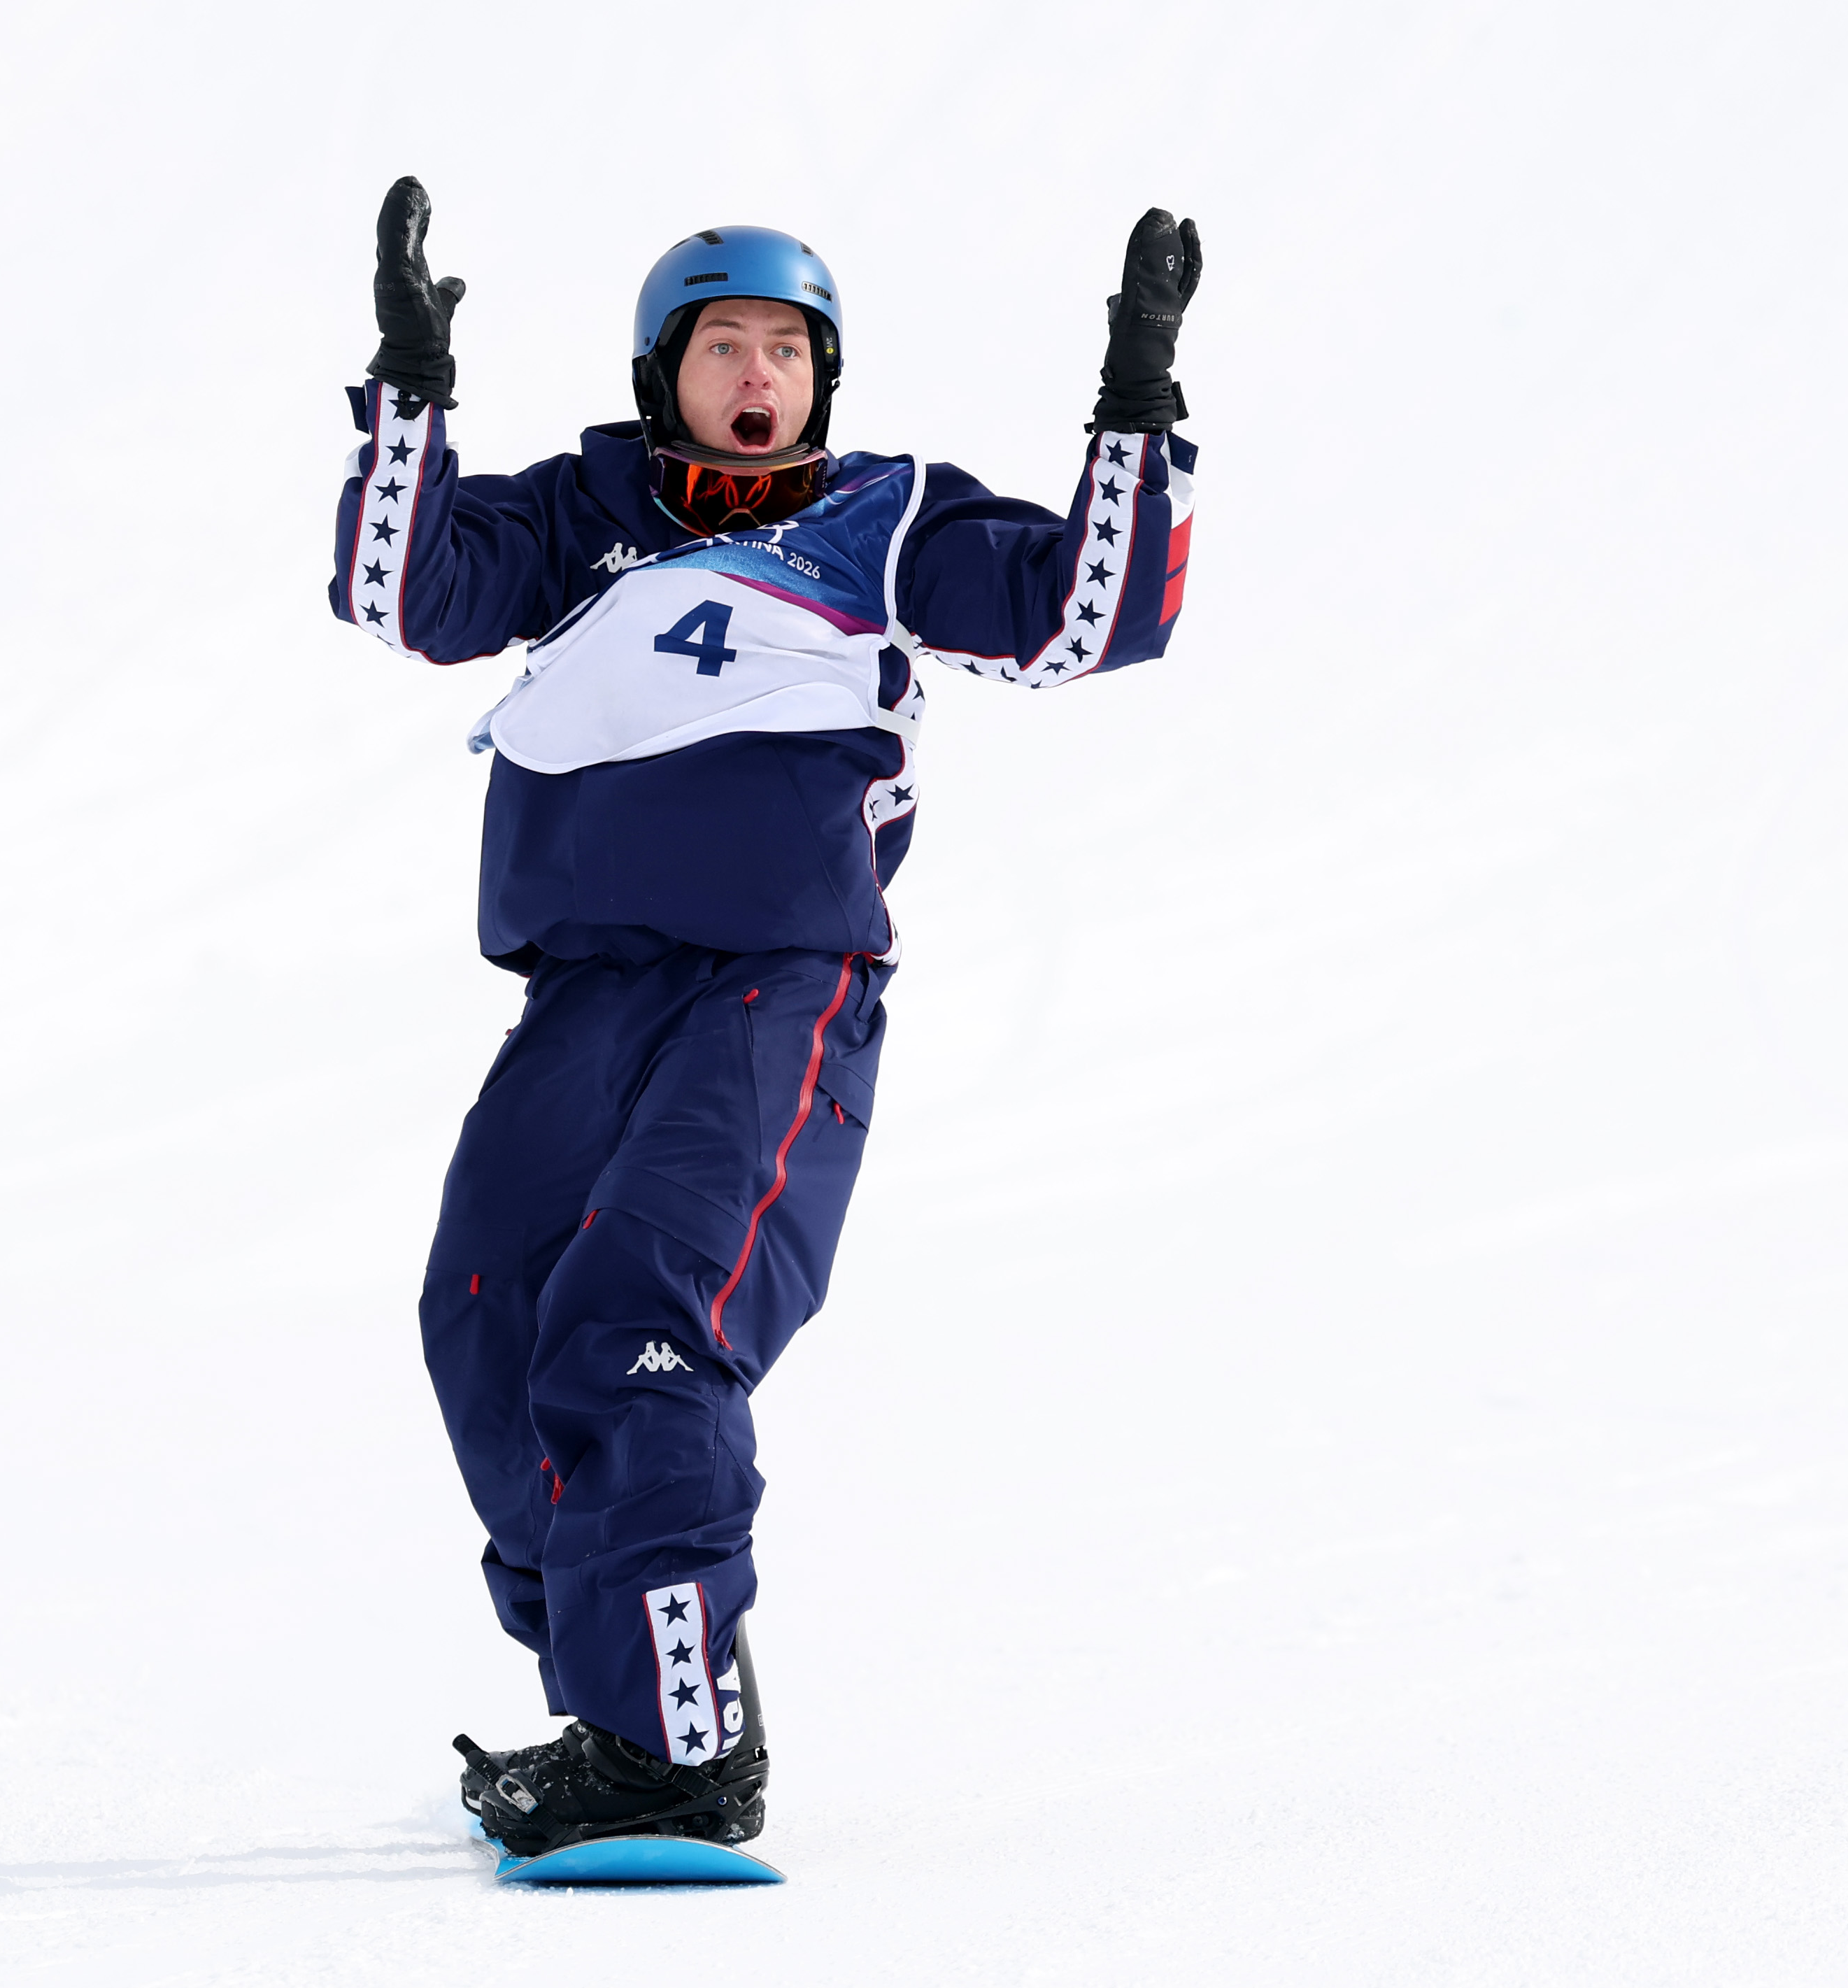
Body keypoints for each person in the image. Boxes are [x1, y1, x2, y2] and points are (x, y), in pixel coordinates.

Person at [330, 178, 1200, 1856]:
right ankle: (628, 1689)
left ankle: (679, 1747)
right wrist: (410, 393)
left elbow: (1095, 619)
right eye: (720, 344)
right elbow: (407, 599)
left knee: (642, 1314)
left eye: (785, 352)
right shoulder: (583, 512)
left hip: (775, 987)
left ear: (823, 380)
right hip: (587, 988)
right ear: (661, 371)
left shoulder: (884, 517)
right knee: (488, 1313)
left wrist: (1136, 396)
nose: (754, 375)